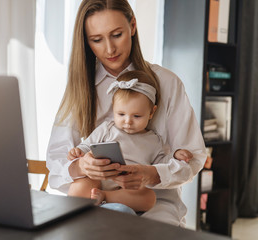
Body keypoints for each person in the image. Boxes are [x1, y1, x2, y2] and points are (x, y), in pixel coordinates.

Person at [46, 0, 206, 227]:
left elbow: (194, 157)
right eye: (97, 40)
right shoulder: (80, 87)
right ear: (86, 41)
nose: (109, 49)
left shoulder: (167, 83)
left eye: (117, 34)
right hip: (94, 200)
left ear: (132, 26)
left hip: (153, 205)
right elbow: (57, 158)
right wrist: (81, 166)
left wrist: (150, 174)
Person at [67, 70, 193, 213]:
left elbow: (161, 162)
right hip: (99, 180)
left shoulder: (154, 140)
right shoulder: (107, 128)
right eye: (121, 114)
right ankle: (84, 208)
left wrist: (175, 155)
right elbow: (87, 145)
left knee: (148, 198)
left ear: (151, 112)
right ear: (113, 109)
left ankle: (106, 198)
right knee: (78, 187)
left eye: (137, 116)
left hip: (127, 188)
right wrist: (79, 151)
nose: (128, 121)